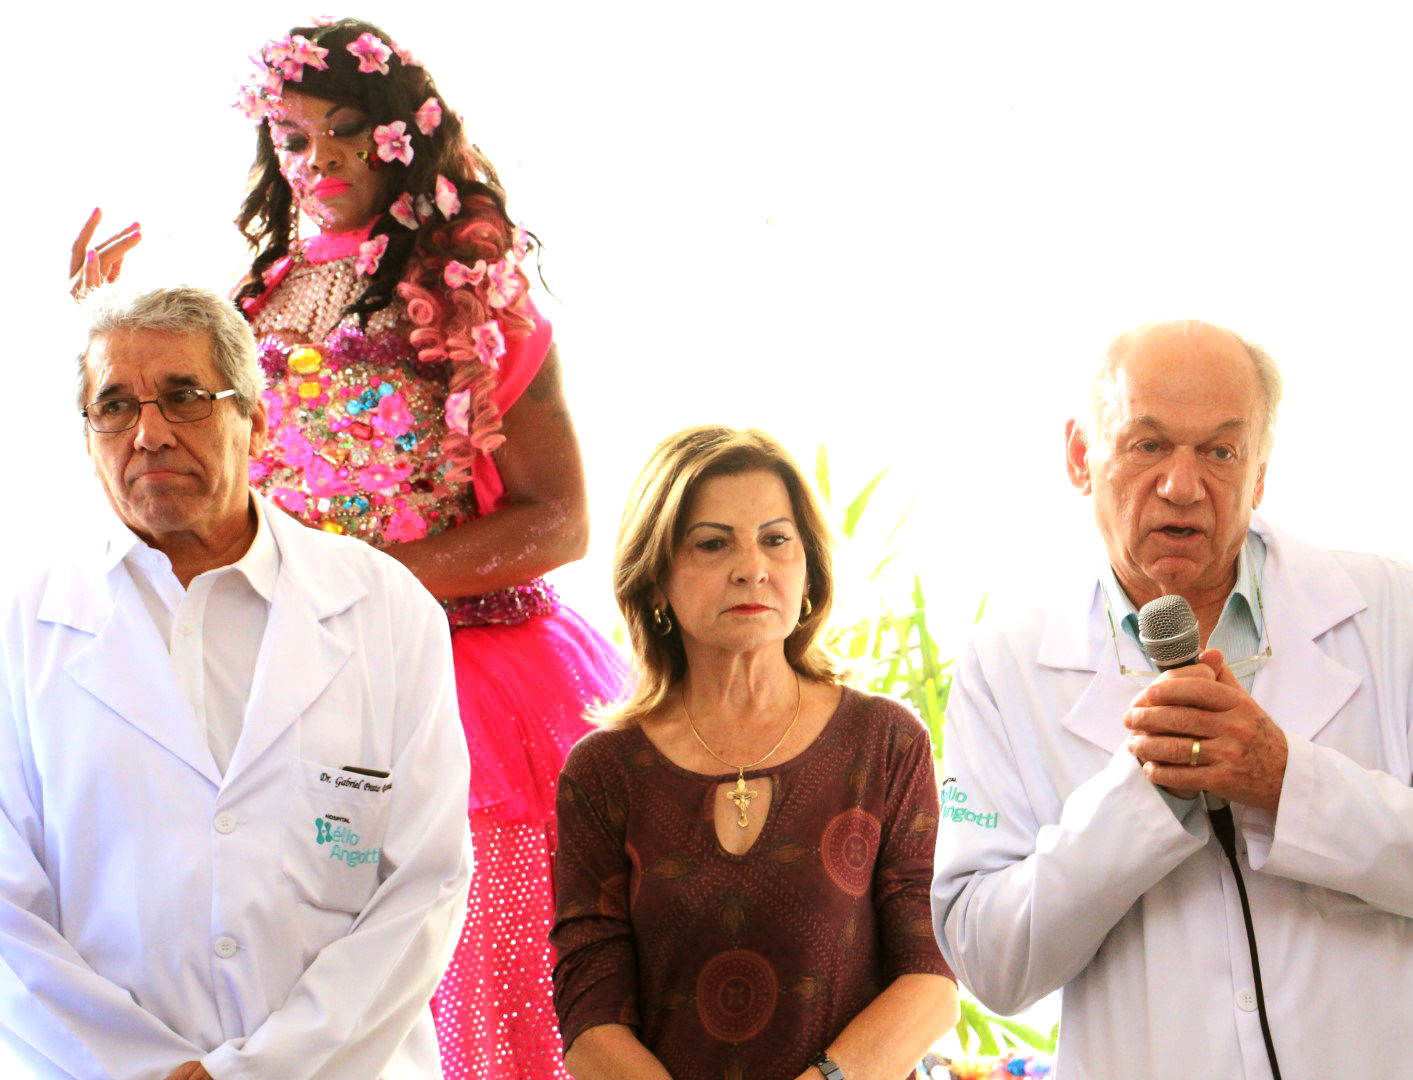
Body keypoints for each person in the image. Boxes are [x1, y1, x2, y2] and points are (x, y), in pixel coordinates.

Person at [73, 19, 627, 1077]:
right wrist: (104, 317)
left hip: (465, 673)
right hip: (284, 658)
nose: (318, 157)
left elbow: (561, 518)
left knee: (473, 996)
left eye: (346, 128)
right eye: (292, 136)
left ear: (403, 133)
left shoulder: (473, 285)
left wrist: (363, 586)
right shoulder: (256, 294)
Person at [930, 320, 1413, 1079]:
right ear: (1079, 456)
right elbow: (988, 962)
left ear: (1259, 471)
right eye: (1148, 444)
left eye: (1221, 452)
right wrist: (1139, 800)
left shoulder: (1393, 609)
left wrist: (1289, 782)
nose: (1182, 485)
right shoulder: (1004, 665)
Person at [0, 285, 472, 1079]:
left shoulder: (384, 608)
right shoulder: (22, 626)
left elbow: (426, 882)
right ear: (88, 438)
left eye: (184, 397)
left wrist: (262, 1072)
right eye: (114, 406)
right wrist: (144, 1070)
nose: (148, 433)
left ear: (255, 419)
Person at [551, 426, 958, 1080]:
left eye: (776, 539)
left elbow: (931, 978)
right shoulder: (604, 771)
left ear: (808, 572)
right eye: (713, 543)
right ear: (655, 582)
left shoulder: (885, 742)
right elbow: (589, 1007)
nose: (752, 567)